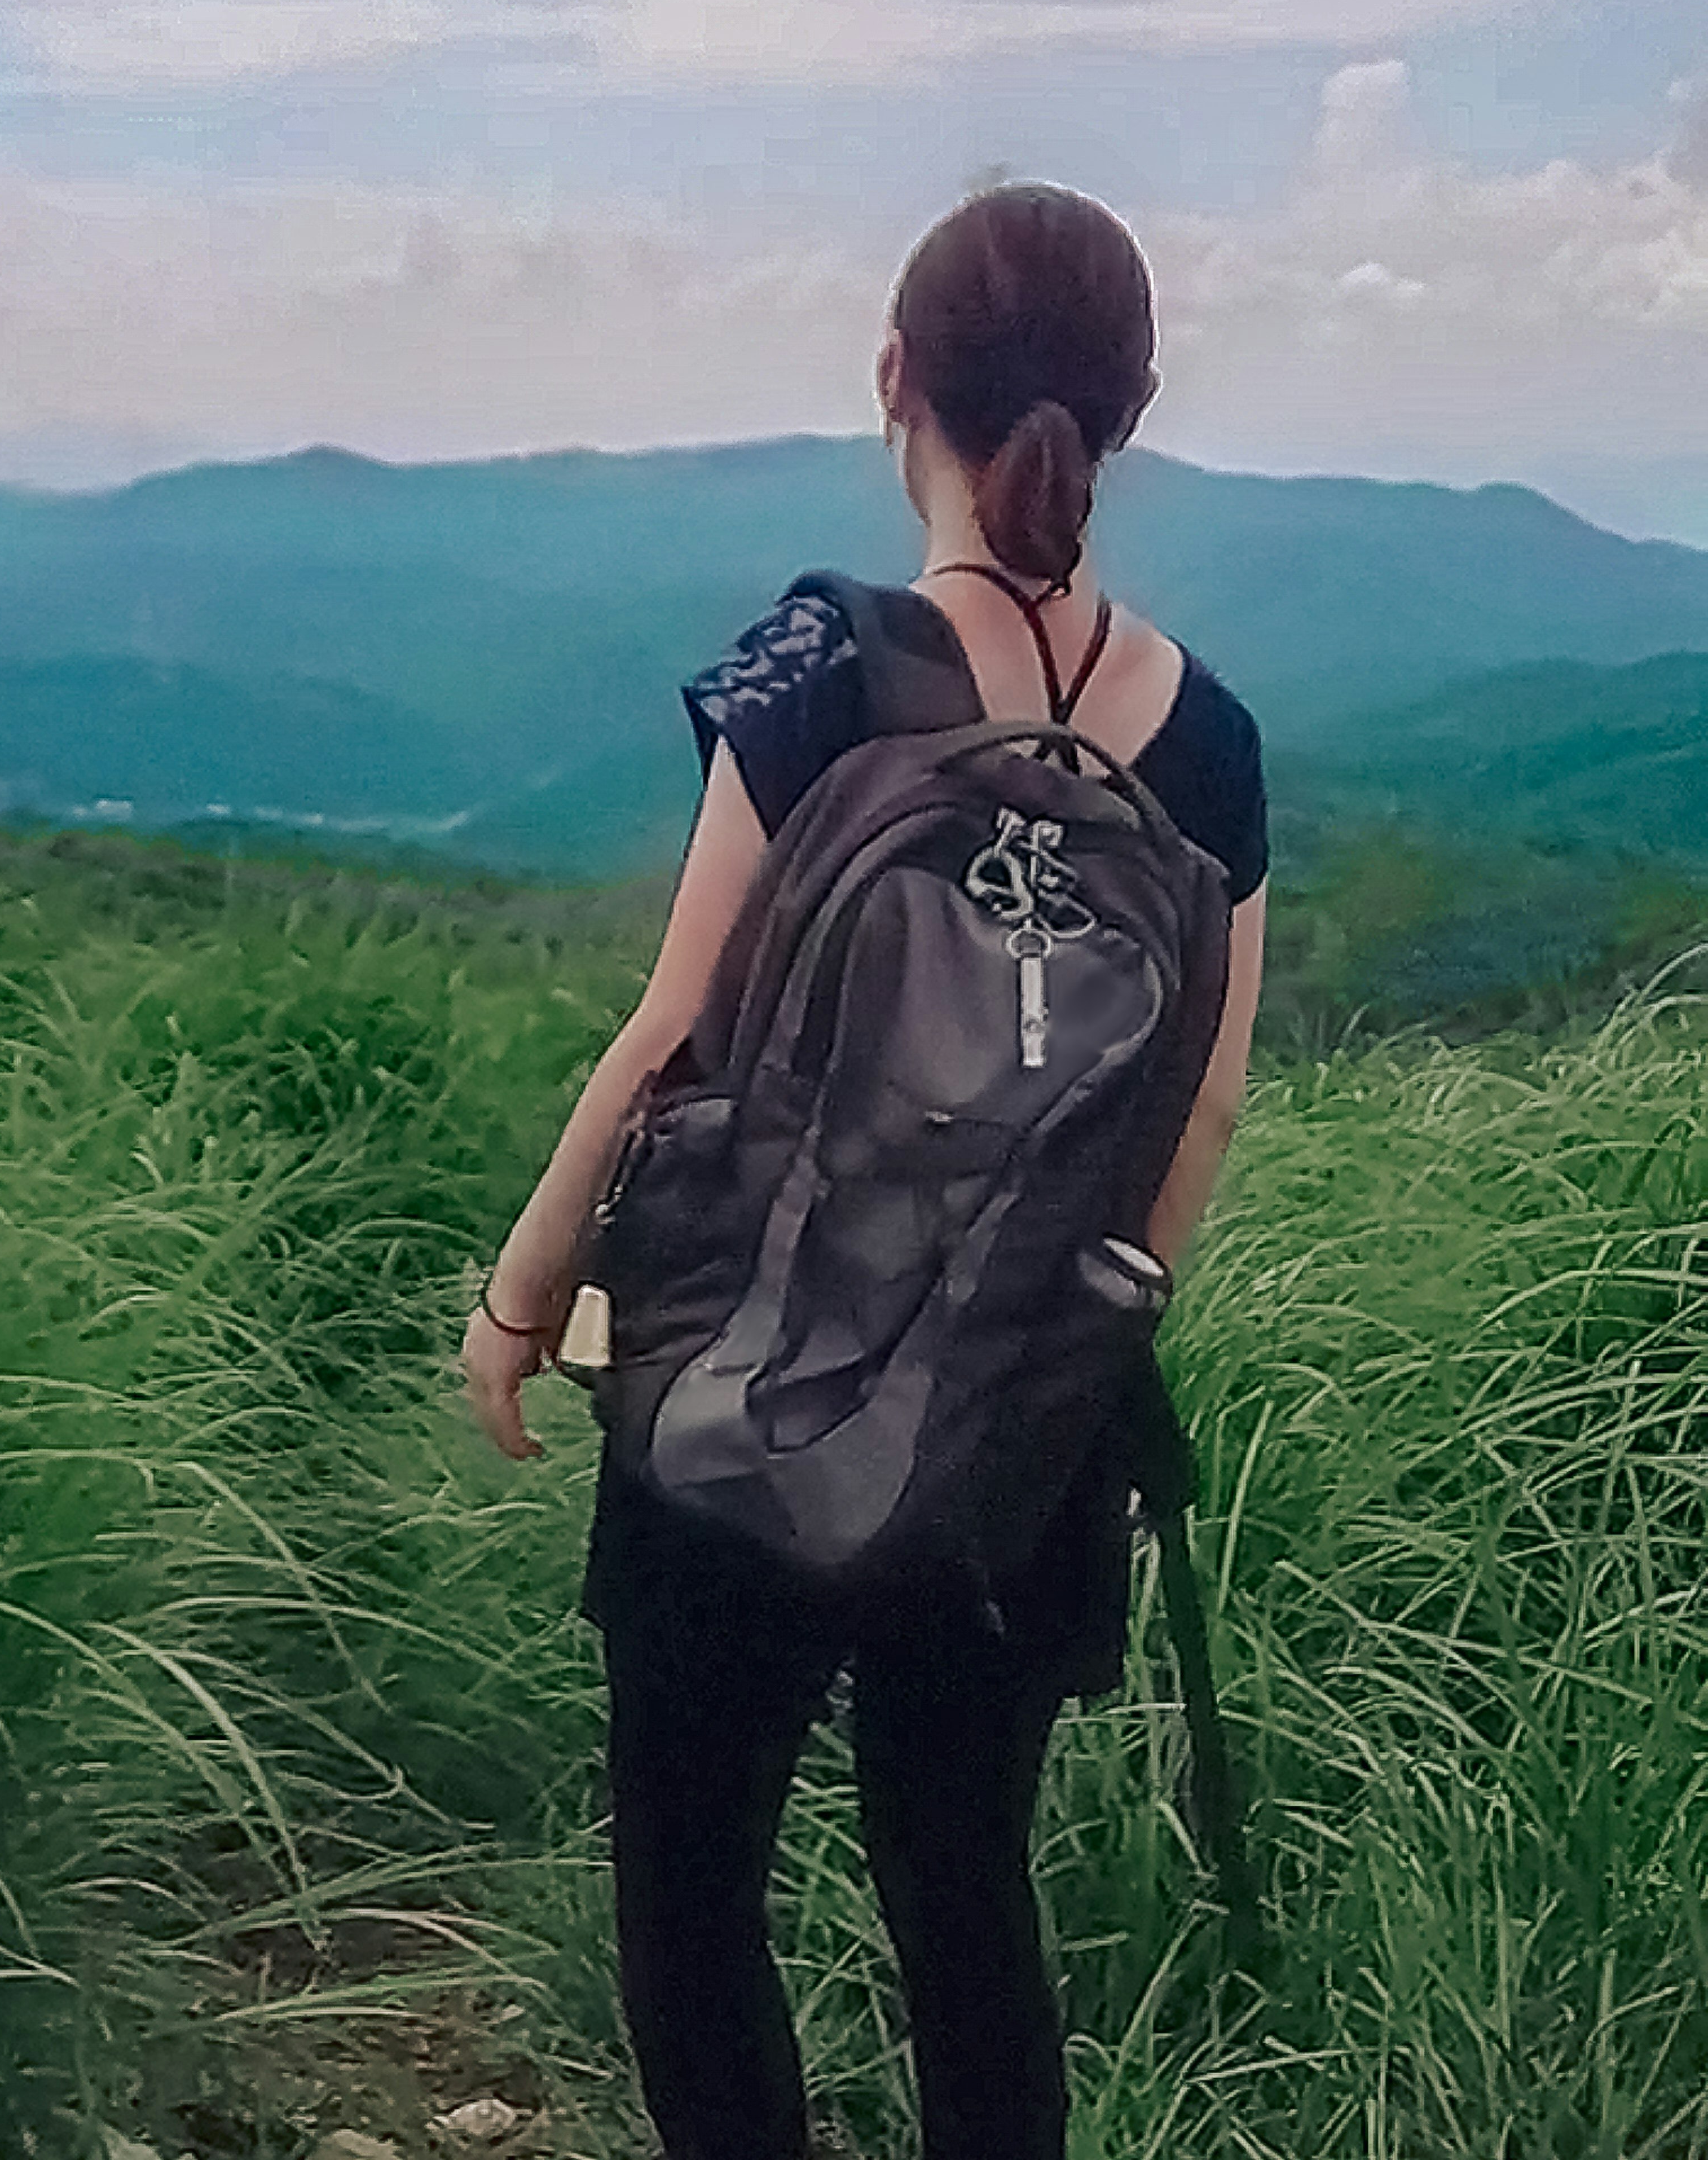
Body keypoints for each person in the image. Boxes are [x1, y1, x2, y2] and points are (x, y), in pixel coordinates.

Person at [460, 184, 1269, 2160]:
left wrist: (517, 1301)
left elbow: (673, 1034)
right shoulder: (1215, 741)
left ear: (893, 378)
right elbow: (1206, 1113)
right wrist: (1066, 1351)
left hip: (747, 1370)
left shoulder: (829, 663)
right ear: (1134, 408)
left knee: (694, 1881)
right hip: (1019, 1426)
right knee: (963, 1895)